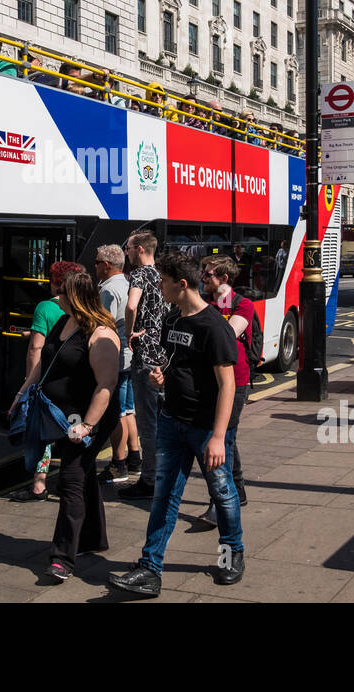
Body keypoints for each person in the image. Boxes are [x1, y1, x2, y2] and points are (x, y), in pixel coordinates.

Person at [107, 250, 243, 597]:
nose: (160, 288)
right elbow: (177, 365)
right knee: (165, 496)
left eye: (164, 282)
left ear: (181, 284)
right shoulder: (172, 320)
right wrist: (161, 378)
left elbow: (227, 384)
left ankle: (231, 554)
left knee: (223, 492)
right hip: (171, 421)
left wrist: (217, 437)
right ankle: (150, 569)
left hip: (204, 426)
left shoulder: (214, 326)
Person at [37, 272, 120, 581]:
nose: (57, 297)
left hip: (87, 420)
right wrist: (23, 392)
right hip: (61, 416)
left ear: (75, 298)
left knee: (71, 481)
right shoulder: (63, 322)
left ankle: (62, 559)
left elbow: (106, 385)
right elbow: (47, 361)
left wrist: (86, 425)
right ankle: (93, 539)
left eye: (62, 293)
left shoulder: (101, 335)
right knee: (83, 477)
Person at [7, 260, 87, 501]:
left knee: (43, 432)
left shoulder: (45, 307)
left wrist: (30, 383)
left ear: (57, 282)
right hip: (74, 384)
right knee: (70, 430)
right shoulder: (84, 308)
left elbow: (37, 348)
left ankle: (39, 484)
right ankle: (69, 480)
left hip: (49, 381)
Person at [199, 254, 254, 522]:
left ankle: (219, 501)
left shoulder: (243, 305)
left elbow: (227, 336)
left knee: (222, 438)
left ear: (224, 279)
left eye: (208, 274)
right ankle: (239, 490)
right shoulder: (206, 303)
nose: (203, 277)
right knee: (227, 437)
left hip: (236, 380)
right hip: (209, 379)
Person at [119, 231, 168, 501]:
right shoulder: (162, 275)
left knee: (147, 422)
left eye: (127, 249)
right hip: (163, 357)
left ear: (139, 249)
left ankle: (150, 480)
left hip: (145, 358)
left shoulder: (138, 275)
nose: (126, 253)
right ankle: (164, 474)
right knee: (164, 420)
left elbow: (131, 304)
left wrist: (129, 331)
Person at [95, 245, 140, 483]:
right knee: (129, 409)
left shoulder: (108, 291)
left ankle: (118, 464)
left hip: (117, 360)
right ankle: (134, 459)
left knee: (117, 413)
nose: (95, 266)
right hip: (130, 357)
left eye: (96, 261)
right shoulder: (127, 283)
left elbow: (103, 326)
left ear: (107, 264)